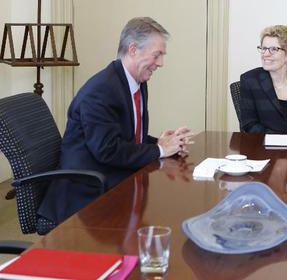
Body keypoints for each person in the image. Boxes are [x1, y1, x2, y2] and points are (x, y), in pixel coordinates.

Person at [38, 17, 193, 225]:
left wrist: (162, 143)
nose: (161, 63)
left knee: (172, 206)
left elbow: (125, 136)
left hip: (113, 178)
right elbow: (108, 149)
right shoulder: (101, 91)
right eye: (157, 55)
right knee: (169, 213)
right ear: (133, 50)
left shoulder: (135, 81)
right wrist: (160, 150)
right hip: (87, 195)